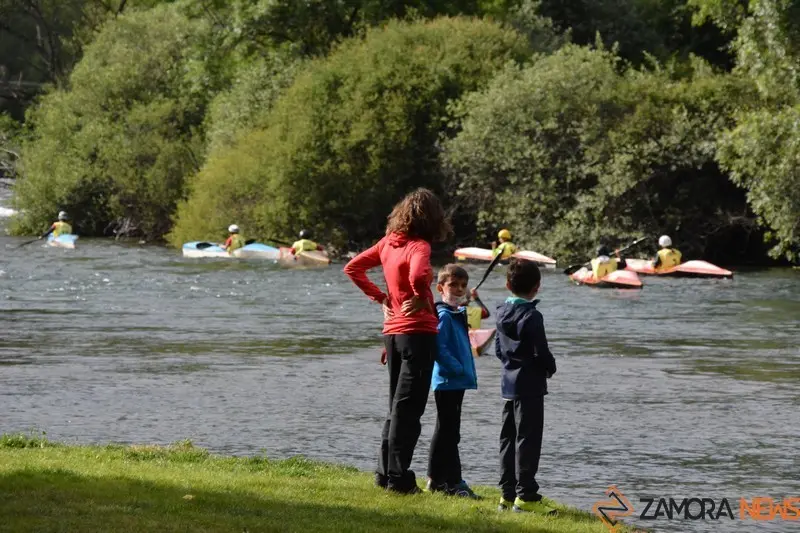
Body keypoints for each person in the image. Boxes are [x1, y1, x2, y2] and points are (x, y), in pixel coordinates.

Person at [344, 188, 451, 494]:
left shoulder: (387, 244)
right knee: (410, 410)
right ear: (431, 218)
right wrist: (420, 297)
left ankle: (384, 472)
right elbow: (418, 276)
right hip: (417, 333)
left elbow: (353, 268)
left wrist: (381, 297)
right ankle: (400, 479)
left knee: (396, 406)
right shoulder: (419, 246)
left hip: (393, 334)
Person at [495, 259, 557, 515]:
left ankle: (507, 494)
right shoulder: (532, 316)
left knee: (508, 438)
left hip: (508, 382)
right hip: (530, 384)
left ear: (508, 284)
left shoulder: (500, 311)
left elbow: (499, 350)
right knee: (528, 440)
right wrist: (550, 368)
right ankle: (527, 495)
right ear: (537, 287)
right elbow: (540, 351)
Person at [427, 264, 479, 498]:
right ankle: (454, 482)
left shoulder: (456, 312)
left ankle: (436, 479)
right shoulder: (444, 316)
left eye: (462, 286)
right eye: (453, 285)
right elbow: (439, 347)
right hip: (449, 379)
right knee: (449, 433)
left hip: (455, 381)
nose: (458, 290)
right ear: (440, 288)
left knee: (446, 429)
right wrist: (457, 368)